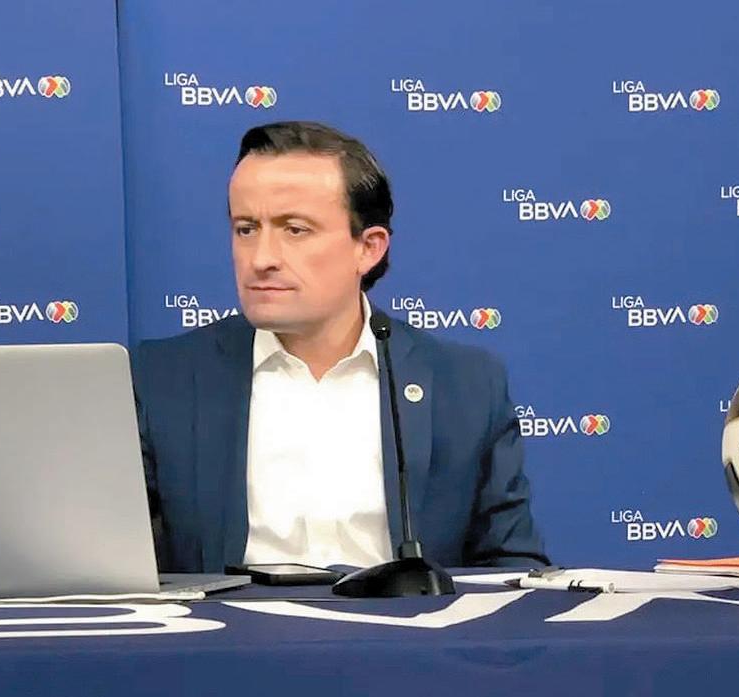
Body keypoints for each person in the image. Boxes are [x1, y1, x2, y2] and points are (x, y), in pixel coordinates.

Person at [132, 120, 547, 573]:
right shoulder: (160, 380)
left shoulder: (465, 385)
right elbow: (121, 573)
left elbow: (512, 572)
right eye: (246, 229)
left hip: (404, 620)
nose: (261, 258)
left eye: (295, 230)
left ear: (368, 248)